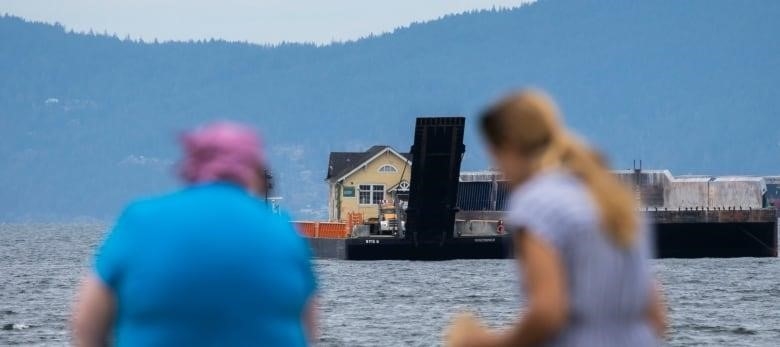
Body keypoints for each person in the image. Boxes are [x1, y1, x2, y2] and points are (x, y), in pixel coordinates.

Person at [446, 90, 666, 347]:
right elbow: (657, 317)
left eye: (494, 154)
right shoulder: (613, 201)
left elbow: (547, 312)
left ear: (509, 146)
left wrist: (482, 342)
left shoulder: (537, 204)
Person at [72, 122, 317, 346]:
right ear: (253, 172)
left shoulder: (139, 220)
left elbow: (87, 323)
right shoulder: (282, 230)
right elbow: (308, 328)